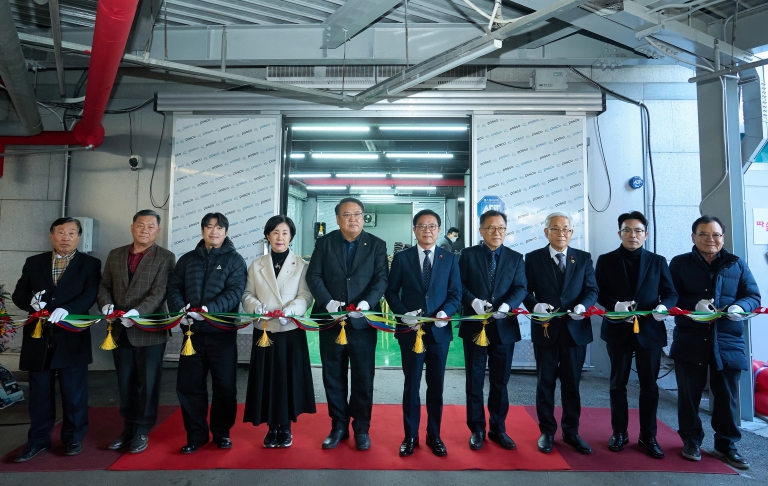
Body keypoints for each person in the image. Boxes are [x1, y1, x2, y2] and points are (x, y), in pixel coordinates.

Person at [669, 215, 760, 470]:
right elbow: (668, 296)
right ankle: (691, 441)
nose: (711, 239)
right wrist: (692, 306)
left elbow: (753, 295)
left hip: (727, 340)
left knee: (726, 396)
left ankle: (726, 445)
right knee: (689, 395)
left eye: (716, 234)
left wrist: (740, 307)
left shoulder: (737, 264)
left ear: (723, 237)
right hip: (690, 338)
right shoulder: (679, 263)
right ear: (693, 237)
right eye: (703, 234)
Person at [11, 217, 101, 462]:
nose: (66, 237)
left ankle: (73, 438)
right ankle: (38, 440)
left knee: (74, 392)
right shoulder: (34, 262)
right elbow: (19, 292)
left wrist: (68, 310)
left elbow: (90, 294)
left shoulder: (90, 264)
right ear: (51, 236)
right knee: (39, 393)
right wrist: (31, 302)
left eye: (72, 233)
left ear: (79, 237)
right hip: (38, 337)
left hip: (71, 336)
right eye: (61, 232)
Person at [306, 197, 388, 451]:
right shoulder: (325, 243)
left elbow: (381, 279)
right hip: (331, 321)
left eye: (357, 214)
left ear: (363, 217)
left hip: (363, 323)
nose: (353, 219)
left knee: (363, 377)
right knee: (333, 375)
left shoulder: (376, 244)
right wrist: (327, 302)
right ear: (337, 218)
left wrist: (367, 303)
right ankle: (338, 426)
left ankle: (361, 428)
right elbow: (313, 275)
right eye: (347, 214)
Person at [594, 211, 678, 459]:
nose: (633, 235)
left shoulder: (658, 261)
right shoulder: (606, 260)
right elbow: (598, 292)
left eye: (638, 230)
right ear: (619, 233)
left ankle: (648, 435)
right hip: (618, 328)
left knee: (649, 385)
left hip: (649, 329)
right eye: (627, 230)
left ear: (646, 234)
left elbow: (670, 293)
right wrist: (615, 305)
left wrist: (664, 307)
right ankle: (619, 432)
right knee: (617, 384)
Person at [166, 212, 247, 454]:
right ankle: (196, 435)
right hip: (192, 335)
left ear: (226, 232)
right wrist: (179, 309)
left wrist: (209, 310)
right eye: (209, 227)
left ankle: (222, 433)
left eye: (219, 227)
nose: (214, 231)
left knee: (225, 387)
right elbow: (174, 287)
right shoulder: (187, 259)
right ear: (202, 231)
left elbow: (234, 292)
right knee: (189, 387)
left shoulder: (235, 260)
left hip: (221, 335)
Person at [97, 209, 176, 454]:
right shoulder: (116, 254)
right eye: (140, 225)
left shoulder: (166, 257)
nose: (145, 230)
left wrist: (137, 313)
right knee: (125, 383)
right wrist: (106, 305)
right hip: (119, 330)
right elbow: (104, 286)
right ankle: (128, 428)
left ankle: (142, 430)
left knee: (149, 383)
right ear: (132, 227)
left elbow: (160, 292)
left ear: (158, 231)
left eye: (151, 226)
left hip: (149, 330)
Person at [385, 209, 461, 457]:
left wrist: (446, 312)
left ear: (438, 230)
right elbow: (391, 292)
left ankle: (434, 435)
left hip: (439, 333)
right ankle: (410, 436)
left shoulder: (449, 259)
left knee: (436, 386)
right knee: (411, 385)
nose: (427, 230)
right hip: (411, 331)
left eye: (432, 226)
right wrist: (403, 314)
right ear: (414, 230)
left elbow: (455, 293)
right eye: (422, 226)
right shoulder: (402, 258)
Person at [523, 212, 598, 455]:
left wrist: (583, 306)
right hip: (546, 330)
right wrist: (535, 306)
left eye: (566, 228)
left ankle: (571, 431)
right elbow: (525, 290)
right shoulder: (533, 258)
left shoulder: (583, 258)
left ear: (572, 232)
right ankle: (546, 431)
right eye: (555, 228)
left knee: (572, 384)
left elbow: (592, 289)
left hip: (575, 330)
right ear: (546, 232)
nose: (561, 233)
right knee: (545, 383)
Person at [242, 215, 315, 448]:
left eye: (284, 233)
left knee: (287, 380)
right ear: (267, 236)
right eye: (275, 232)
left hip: (290, 330)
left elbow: (306, 296)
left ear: (291, 236)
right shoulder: (257, 265)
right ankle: (271, 427)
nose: (280, 237)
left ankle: (285, 427)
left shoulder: (301, 265)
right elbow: (247, 294)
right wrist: (256, 307)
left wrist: (292, 311)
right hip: (264, 330)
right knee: (266, 379)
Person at [458, 210, 527, 451]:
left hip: (503, 327)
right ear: (481, 231)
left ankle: (498, 428)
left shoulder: (516, 258)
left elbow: (521, 288)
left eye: (501, 228)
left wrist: (508, 306)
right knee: (475, 380)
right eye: (491, 228)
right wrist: (472, 301)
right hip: (475, 326)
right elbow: (459, 285)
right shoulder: (468, 255)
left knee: (500, 381)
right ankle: (477, 429)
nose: (496, 232)